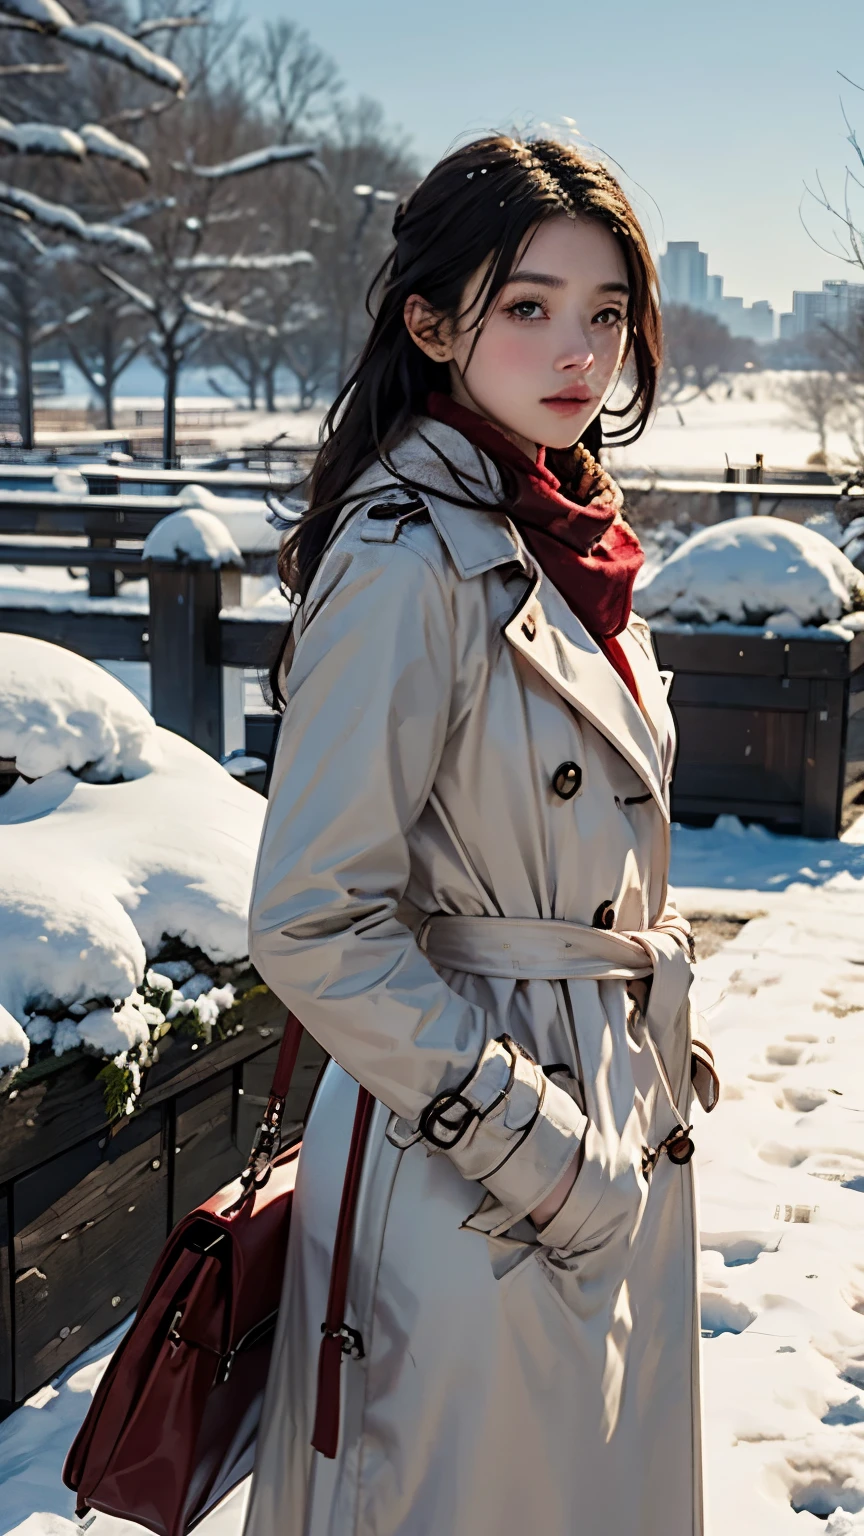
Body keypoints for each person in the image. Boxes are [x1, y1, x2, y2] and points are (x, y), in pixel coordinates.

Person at [242, 133, 720, 1536]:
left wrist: (641, 1035)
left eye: (608, 312)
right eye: (528, 306)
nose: (578, 350)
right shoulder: (410, 554)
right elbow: (313, 918)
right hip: (473, 1176)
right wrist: (537, 1142)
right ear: (435, 322)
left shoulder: (557, 536)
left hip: (594, 1125)